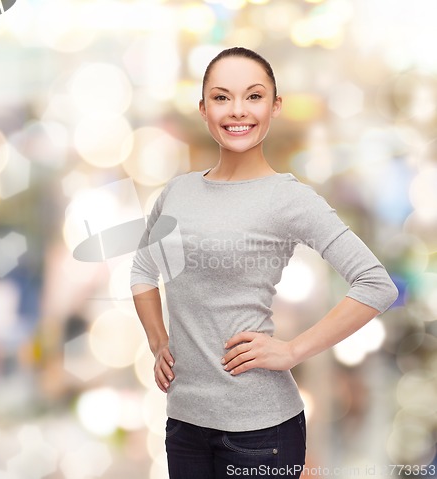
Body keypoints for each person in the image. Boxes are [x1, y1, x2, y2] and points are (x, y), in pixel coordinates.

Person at [129, 47, 398, 479]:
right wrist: (158, 341)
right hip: (183, 422)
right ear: (203, 109)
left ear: (275, 107)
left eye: (253, 97)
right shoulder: (176, 192)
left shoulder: (288, 198)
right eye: (221, 97)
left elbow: (375, 284)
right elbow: (143, 271)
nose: (238, 110)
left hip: (261, 432)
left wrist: (293, 350)